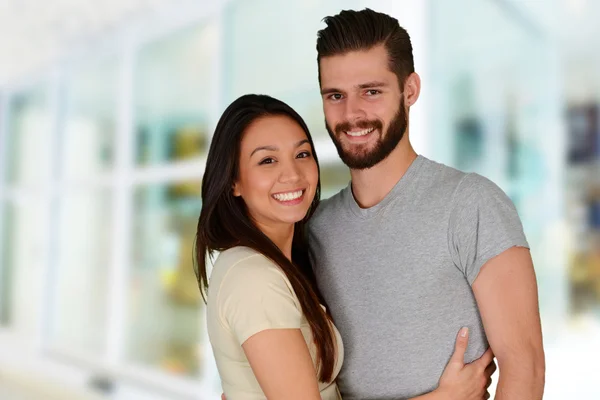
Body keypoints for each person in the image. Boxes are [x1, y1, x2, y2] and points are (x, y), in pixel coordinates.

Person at [307, 8, 546, 400]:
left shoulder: (471, 205)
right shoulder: (316, 228)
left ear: (410, 89)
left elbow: (526, 369)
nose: (351, 114)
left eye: (371, 91)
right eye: (336, 95)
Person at [195, 94, 495, 400]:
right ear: (233, 181)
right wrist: (445, 396)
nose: (293, 175)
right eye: (267, 160)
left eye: (302, 154)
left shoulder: (275, 265)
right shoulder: (254, 277)